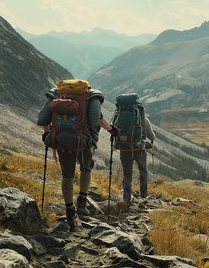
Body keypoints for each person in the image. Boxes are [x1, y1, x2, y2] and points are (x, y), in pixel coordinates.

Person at [37, 81, 118, 231]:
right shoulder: (90, 97)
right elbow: (95, 120)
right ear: (86, 87)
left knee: (67, 174)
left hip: (60, 140)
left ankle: (69, 210)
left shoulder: (55, 95)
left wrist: (48, 133)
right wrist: (111, 130)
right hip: (82, 141)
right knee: (86, 168)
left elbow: (43, 118)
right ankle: (82, 203)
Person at [117, 117, 155, 204]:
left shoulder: (119, 116)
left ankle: (126, 198)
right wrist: (154, 134)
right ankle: (144, 194)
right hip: (139, 150)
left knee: (127, 174)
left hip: (124, 149)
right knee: (143, 170)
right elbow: (152, 136)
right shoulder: (144, 119)